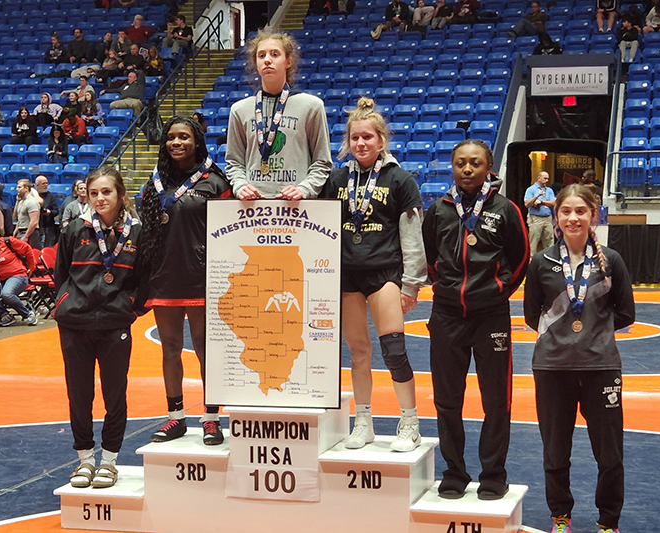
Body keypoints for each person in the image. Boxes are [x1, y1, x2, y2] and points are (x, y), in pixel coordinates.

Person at [421, 139, 529, 501]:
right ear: (452, 168)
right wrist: (448, 289)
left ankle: (494, 474)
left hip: (491, 317)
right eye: (460, 164)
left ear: (489, 168)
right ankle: (454, 472)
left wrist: (497, 291)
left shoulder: (506, 209)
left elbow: (521, 256)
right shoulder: (437, 210)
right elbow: (430, 257)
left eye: (475, 163)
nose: (467, 169)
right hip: (447, 315)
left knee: (496, 400)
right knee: (447, 400)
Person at [523, 184, 635, 533]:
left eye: (580, 211)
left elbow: (626, 312)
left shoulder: (611, 260)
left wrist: (594, 332)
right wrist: (566, 335)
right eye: (566, 211)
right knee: (556, 450)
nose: (573, 218)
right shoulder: (542, 261)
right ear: (556, 217)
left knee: (610, 453)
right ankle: (560, 516)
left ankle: (608, 522)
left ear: (593, 215)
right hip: (552, 367)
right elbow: (530, 315)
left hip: (600, 367)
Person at [321, 98, 425, 451]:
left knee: (394, 349)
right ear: (348, 142)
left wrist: (411, 284)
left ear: (381, 140)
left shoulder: (400, 179)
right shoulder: (336, 180)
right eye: (355, 138)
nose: (361, 143)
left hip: (385, 274)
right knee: (359, 352)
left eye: (368, 137)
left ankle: (409, 421)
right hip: (347, 277)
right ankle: (362, 422)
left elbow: (412, 237)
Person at [139, 115, 231, 445]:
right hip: (165, 277)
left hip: (203, 277)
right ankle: (175, 417)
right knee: (171, 349)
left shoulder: (216, 182)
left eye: (184, 137)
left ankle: (211, 417)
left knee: (207, 350)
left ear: (197, 142)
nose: (177, 142)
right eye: (171, 138)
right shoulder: (153, 184)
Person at [55, 166, 149, 490]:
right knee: (79, 395)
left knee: (115, 395)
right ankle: (84, 460)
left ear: (120, 194)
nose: (99, 198)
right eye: (93, 193)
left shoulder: (137, 233)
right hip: (75, 324)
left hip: (114, 323)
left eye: (106, 192)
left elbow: (144, 278)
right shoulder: (74, 230)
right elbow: (60, 274)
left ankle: (109, 461)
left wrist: (129, 307)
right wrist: (65, 302)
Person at [226, 31, 332, 201]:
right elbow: (234, 162)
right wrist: (240, 186)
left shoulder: (311, 106)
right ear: (256, 63)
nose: (267, 60)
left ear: (288, 61)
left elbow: (322, 162)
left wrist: (304, 190)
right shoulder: (239, 110)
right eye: (261, 55)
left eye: (275, 54)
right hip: (252, 208)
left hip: (296, 208)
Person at [0, 223, 38, 326]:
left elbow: (27, 249)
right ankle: (5, 315)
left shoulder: (8, 241)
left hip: (17, 275)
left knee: (6, 294)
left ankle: (28, 314)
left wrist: (31, 267)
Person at [525, 171, 556, 254]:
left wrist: (541, 201)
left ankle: (549, 259)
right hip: (535, 218)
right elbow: (527, 204)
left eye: (548, 179)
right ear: (539, 178)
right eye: (545, 178)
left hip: (547, 218)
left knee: (549, 241)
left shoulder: (549, 190)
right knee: (533, 242)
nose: (547, 180)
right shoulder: (531, 189)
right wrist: (535, 198)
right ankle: (531, 262)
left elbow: (553, 203)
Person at [14, 179, 41, 250]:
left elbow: (34, 221)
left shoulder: (32, 202)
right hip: (21, 231)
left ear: (26, 188)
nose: (17, 189)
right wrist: (16, 231)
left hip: (30, 233)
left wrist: (26, 236)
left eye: (19, 187)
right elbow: (17, 216)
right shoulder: (21, 202)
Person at [36, 175, 60, 247]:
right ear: (37, 185)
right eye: (43, 183)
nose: (46, 185)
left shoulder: (51, 196)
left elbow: (56, 211)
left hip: (48, 226)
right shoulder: (34, 196)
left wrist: (50, 212)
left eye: (47, 183)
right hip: (37, 226)